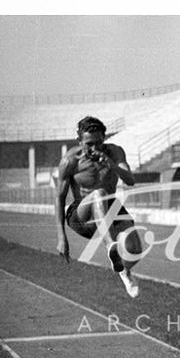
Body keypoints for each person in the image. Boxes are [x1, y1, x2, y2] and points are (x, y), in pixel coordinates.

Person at [55, 116, 143, 298]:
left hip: (109, 207)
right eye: (88, 144)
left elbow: (130, 180)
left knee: (135, 249)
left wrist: (110, 164)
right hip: (81, 215)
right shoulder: (70, 161)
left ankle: (124, 271)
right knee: (98, 194)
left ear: (105, 138)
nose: (94, 148)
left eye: (98, 143)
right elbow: (59, 198)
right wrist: (61, 237)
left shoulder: (115, 152)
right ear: (79, 141)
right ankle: (111, 246)